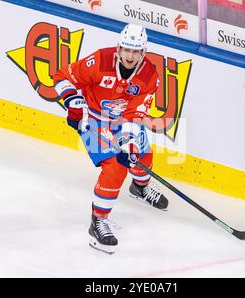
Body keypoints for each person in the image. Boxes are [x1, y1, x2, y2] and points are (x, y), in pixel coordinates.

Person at [53, 23, 168, 254]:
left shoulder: (149, 76)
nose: (130, 56)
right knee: (116, 166)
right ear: (119, 48)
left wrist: (130, 142)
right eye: (126, 49)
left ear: (143, 53)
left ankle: (140, 188)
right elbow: (62, 76)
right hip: (93, 119)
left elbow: (136, 114)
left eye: (136, 51)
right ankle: (98, 221)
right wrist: (72, 102)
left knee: (141, 156)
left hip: (123, 121)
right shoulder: (100, 61)